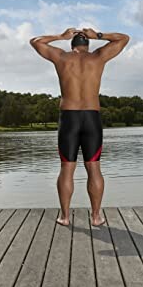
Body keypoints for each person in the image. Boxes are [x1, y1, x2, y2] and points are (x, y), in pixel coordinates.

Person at [30, 27, 130, 227]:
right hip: (92, 117)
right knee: (94, 168)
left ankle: (65, 217)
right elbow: (123, 39)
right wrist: (99, 35)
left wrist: (60, 36)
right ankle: (96, 217)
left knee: (67, 168)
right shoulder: (99, 57)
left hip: (69, 117)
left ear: (72, 43)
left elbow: (36, 41)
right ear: (87, 43)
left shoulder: (61, 57)